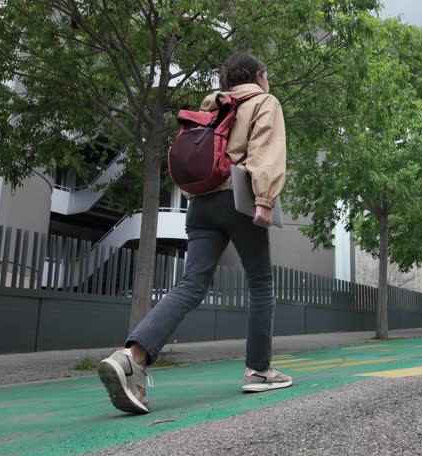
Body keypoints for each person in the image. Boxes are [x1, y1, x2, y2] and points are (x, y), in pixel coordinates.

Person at [97, 52, 291, 415]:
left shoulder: (213, 105)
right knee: (261, 283)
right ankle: (259, 370)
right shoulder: (265, 102)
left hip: (200, 203)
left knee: (191, 284)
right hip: (239, 197)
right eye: (268, 76)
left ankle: (131, 356)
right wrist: (264, 200)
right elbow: (266, 151)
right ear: (259, 76)